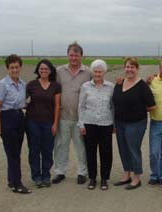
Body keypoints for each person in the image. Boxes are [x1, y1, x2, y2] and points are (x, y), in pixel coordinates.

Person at [113, 57, 156, 190]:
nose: (129, 69)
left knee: (133, 149)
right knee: (123, 148)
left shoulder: (142, 86)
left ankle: (136, 177)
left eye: (132, 67)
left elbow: (152, 106)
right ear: (124, 68)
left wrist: (138, 110)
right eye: (127, 66)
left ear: (137, 69)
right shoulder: (119, 83)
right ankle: (127, 174)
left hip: (136, 123)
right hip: (120, 122)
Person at [52, 42, 92, 184]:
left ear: (81, 56)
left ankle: (82, 172)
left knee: (81, 146)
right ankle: (60, 171)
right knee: (61, 145)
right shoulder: (59, 71)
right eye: (71, 55)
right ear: (67, 55)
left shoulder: (88, 72)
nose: (73, 57)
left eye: (76, 55)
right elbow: (53, 90)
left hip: (81, 117)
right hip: (63, 116)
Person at [0, 54, 31, 194]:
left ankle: (11, 180)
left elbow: (23, 103)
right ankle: (17, 184)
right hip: (7, 118)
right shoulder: (2, 84)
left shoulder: (22, 84)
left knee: (16, 152)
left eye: (17, 67)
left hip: (19, 117)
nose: (14, 70)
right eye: (11, 67)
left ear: (20, 67)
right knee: (12, 153)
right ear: (8, 68)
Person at [78, 59, 114, 190]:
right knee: (90, 152)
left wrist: (114, 123)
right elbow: (81, 106)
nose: (98, 74)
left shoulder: (111, 87)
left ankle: (104, 179)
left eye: (100, 71)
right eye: (95, 71)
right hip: (89, 124)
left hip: (106, 124)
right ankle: (92, 178)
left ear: (104, 72)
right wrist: (81, 124)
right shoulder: (85, 86)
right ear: (92, 72)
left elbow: (113, 106)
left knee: (106, 153)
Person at [26, 59, 61, 188]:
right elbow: (22, 100)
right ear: (38, 70)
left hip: (48, 123)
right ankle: (36, 177)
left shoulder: (56, 85)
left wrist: (55, 124)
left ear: (50, 70)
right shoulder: (31, 85)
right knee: (34, 150)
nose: (44, 71)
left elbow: (57, 106)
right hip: (32, 122)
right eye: (41, 69)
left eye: (46, 69)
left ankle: (46, 175)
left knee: (47, 150)